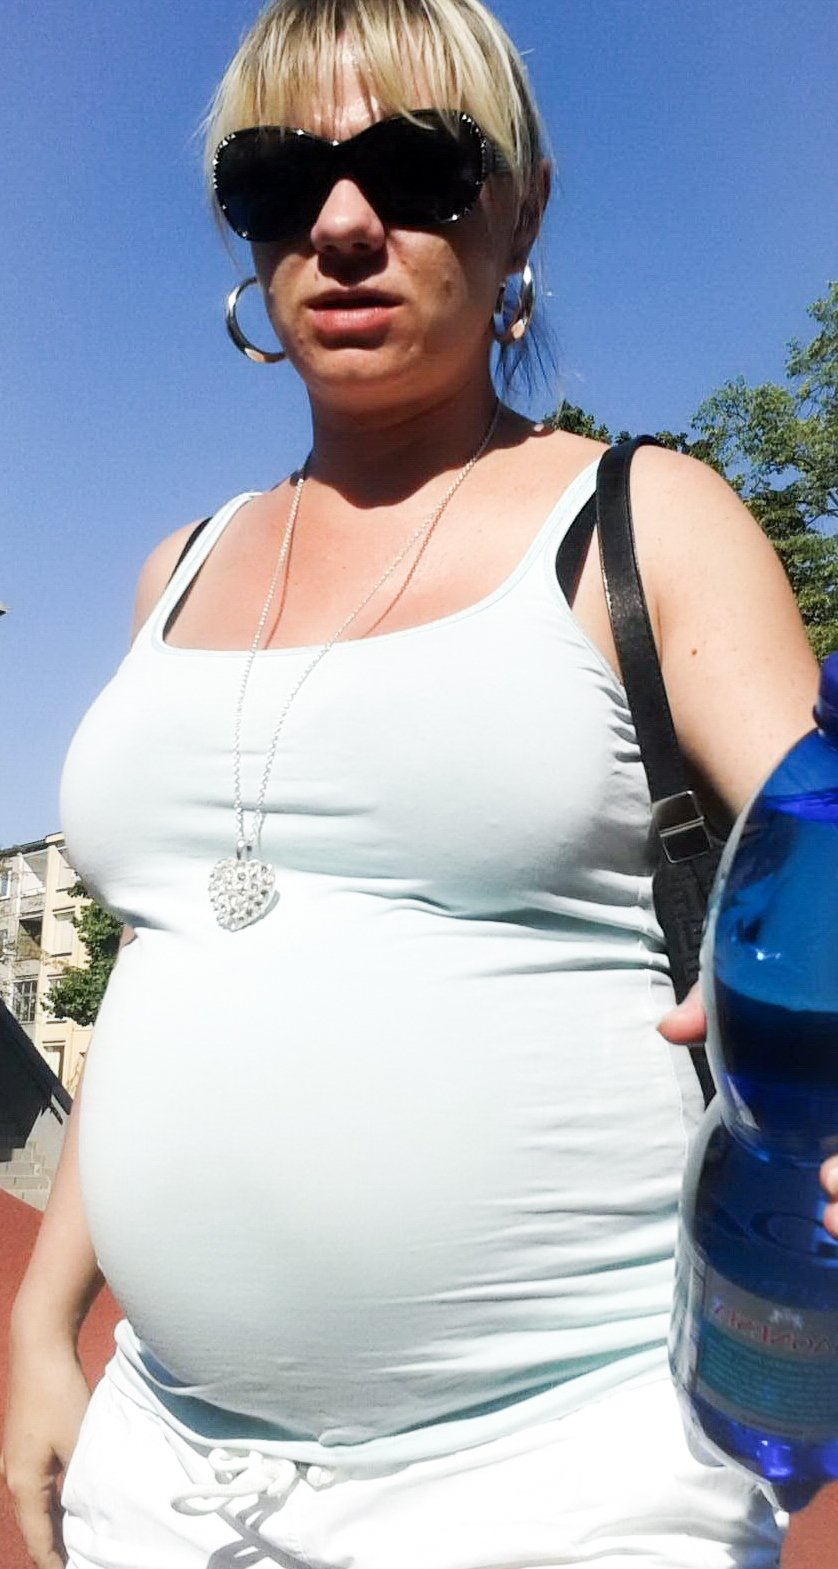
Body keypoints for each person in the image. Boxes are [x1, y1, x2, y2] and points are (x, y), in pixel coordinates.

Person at [2, 2, 835, 1566]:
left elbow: (830, 860)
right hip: (168, 1472)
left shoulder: (641, 521)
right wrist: (46, 1320)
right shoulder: (177, 569)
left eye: (415, 167)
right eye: (278, 178)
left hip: (572, 1476)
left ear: (521, 209)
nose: (339, 223)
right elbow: (169, 965)